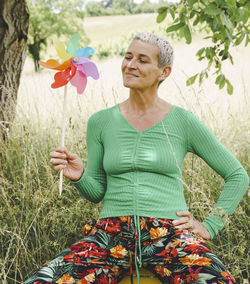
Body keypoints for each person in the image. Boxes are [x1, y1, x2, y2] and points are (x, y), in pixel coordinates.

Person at [24, 32, 249, 284]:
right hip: (110, 236)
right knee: (41, 281)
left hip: (169, 234)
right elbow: (97, 191)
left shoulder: (183, 121)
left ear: (164, 72)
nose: (130, 65)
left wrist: (210, 225)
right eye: (128, 57)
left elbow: (237, 175)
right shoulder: (101, 121)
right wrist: (79, 176)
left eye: (142, 60)